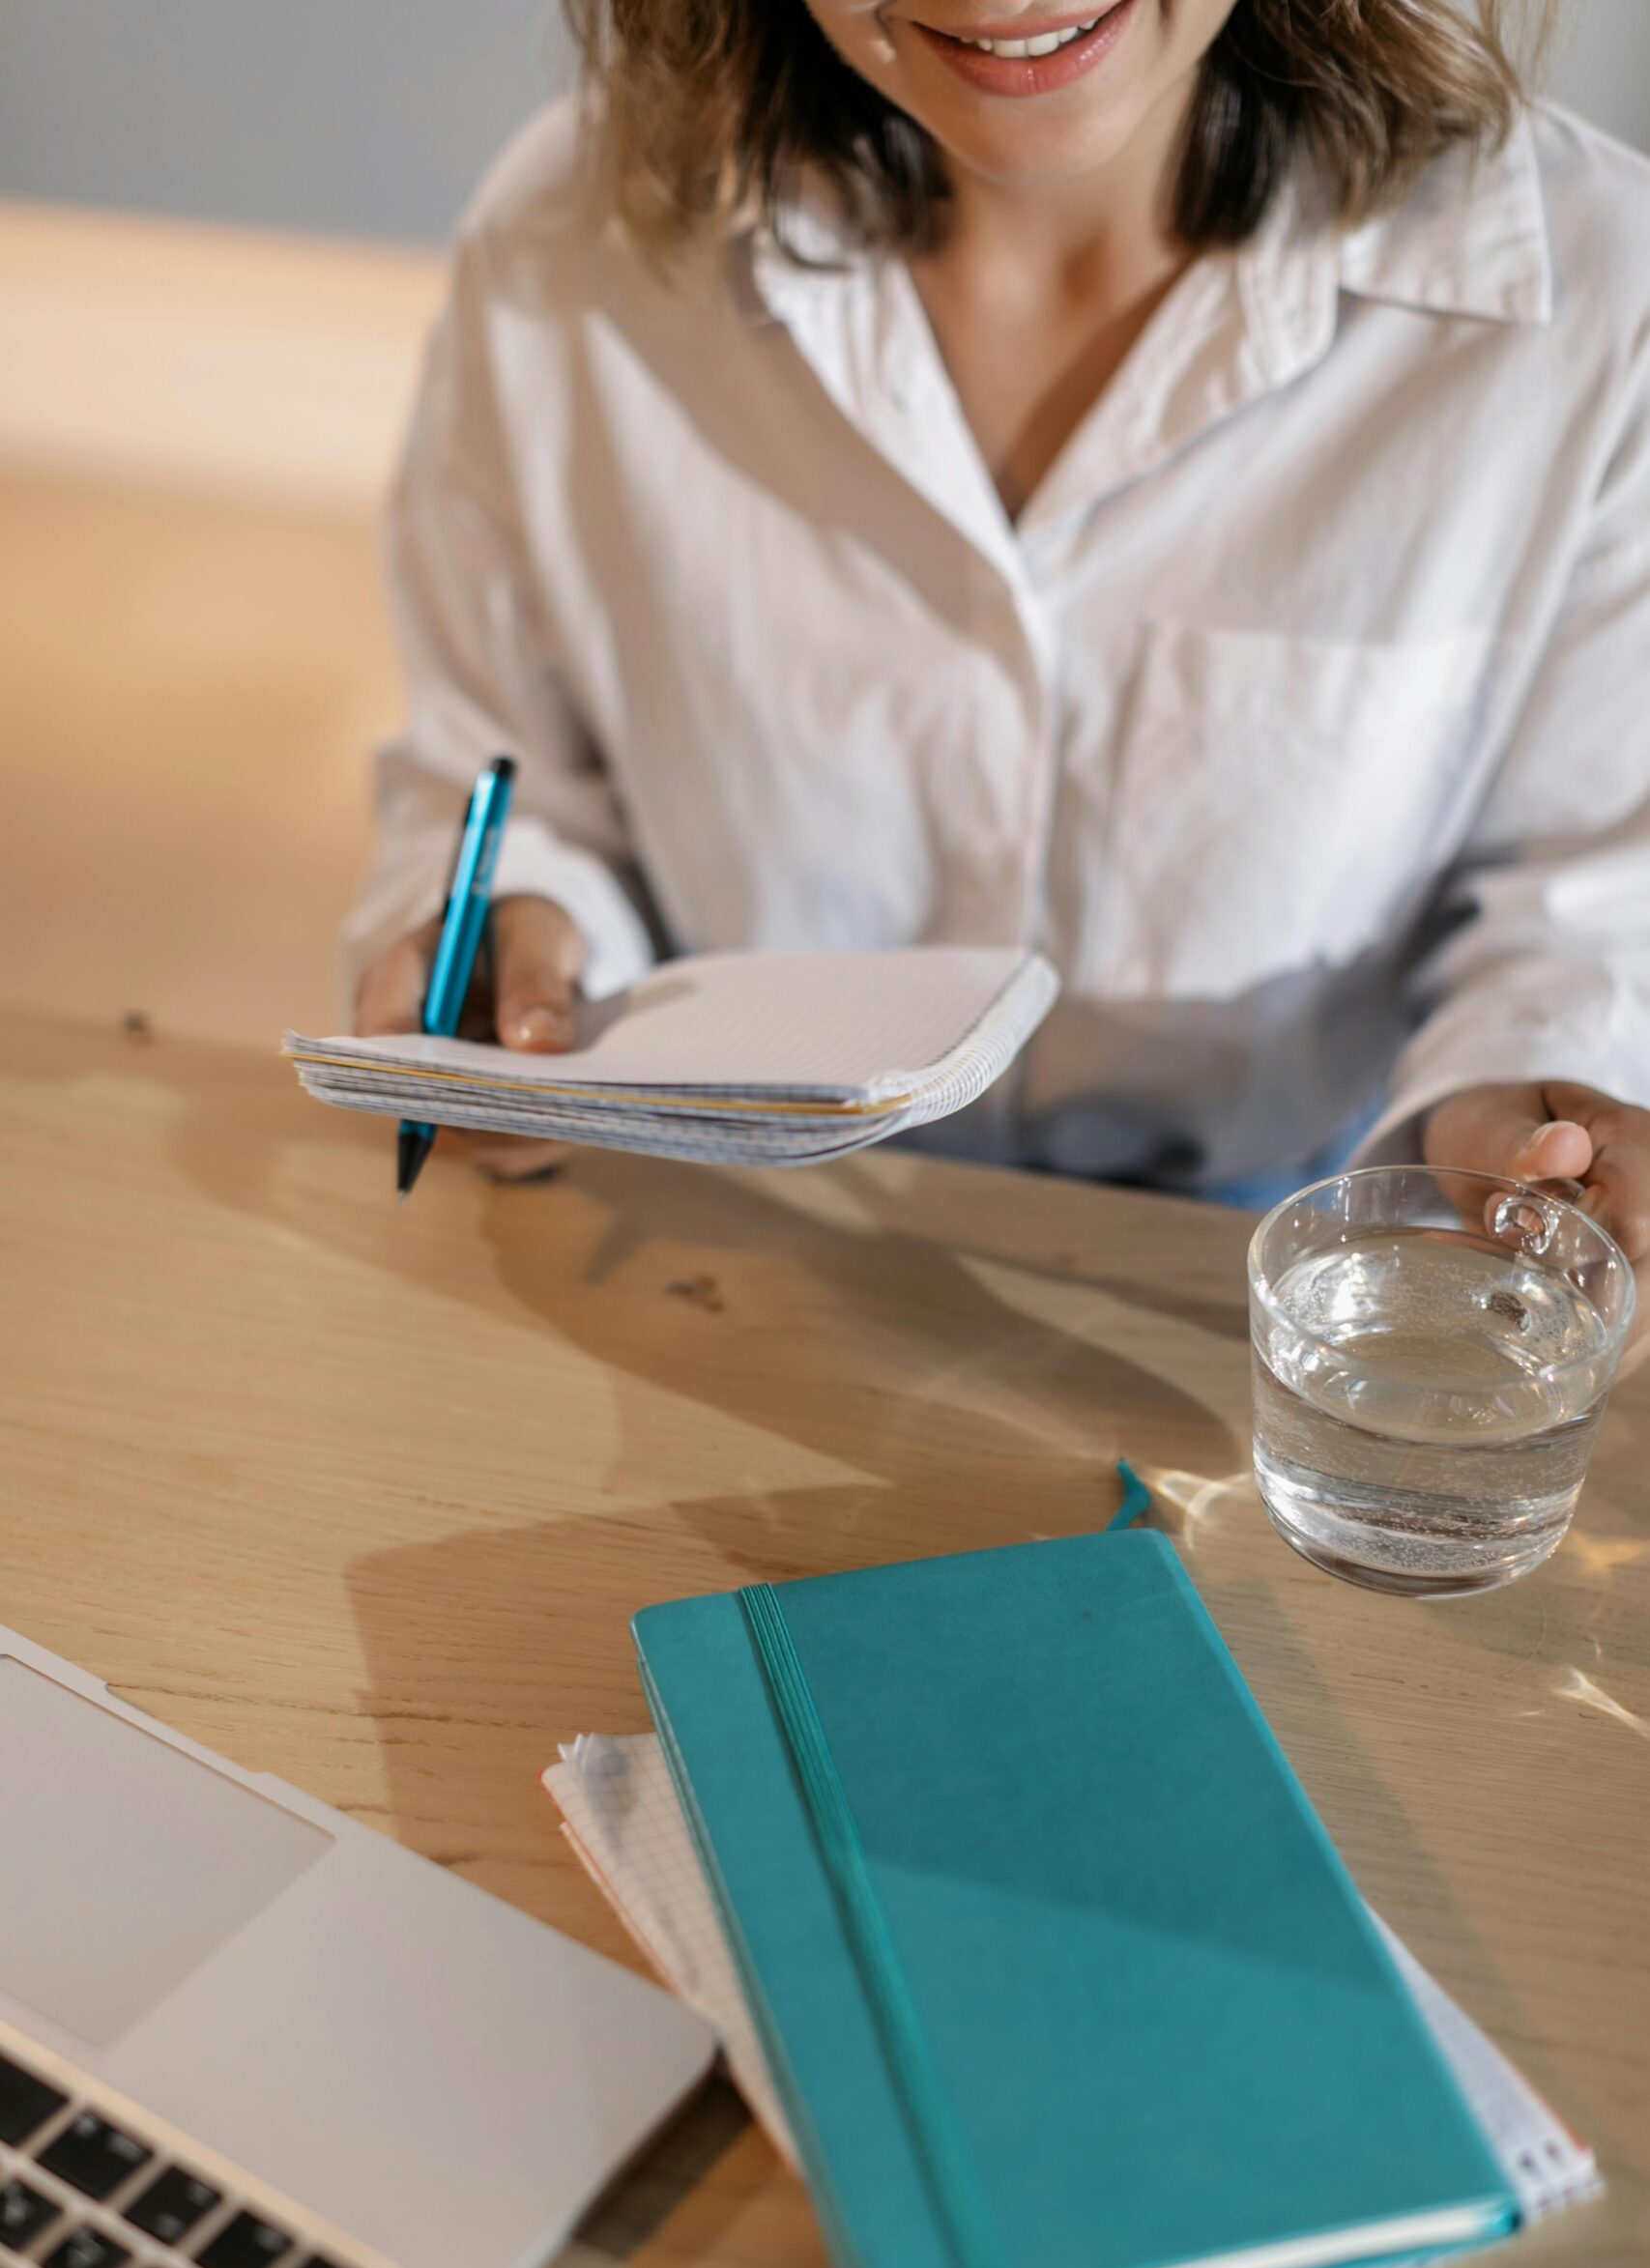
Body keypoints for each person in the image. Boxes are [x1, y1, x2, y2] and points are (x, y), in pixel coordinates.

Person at [350, 0, 1649, 1352]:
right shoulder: (568, 240)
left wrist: (1525, 1104)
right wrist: (518, 940)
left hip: (1276, 1294)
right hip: (728, 1249)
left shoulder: (1596, 296)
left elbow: (1589, 896)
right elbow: (504, 777)